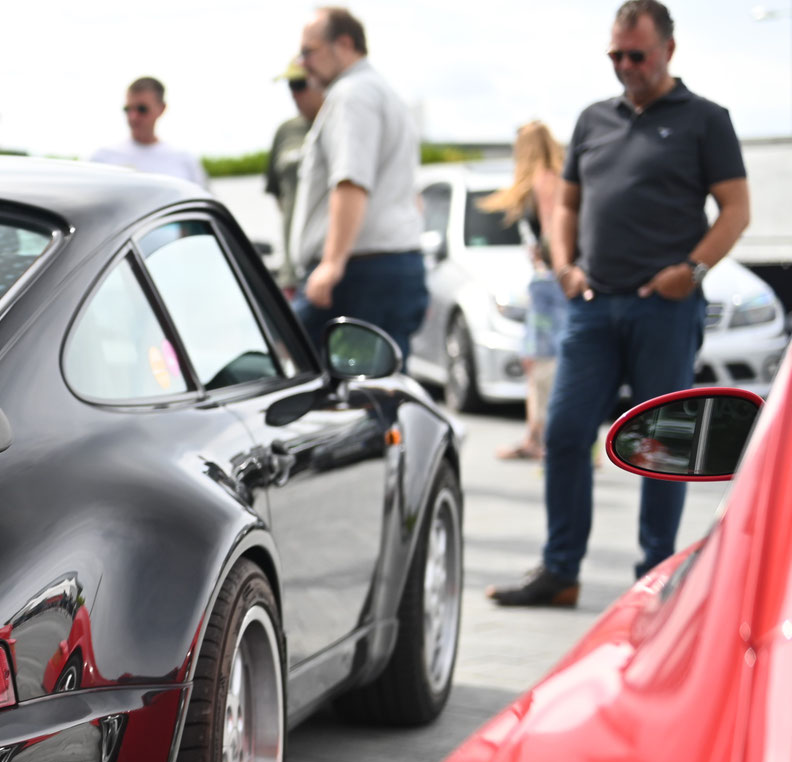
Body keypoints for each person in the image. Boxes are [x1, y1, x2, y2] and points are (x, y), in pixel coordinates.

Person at [489, 0, 749, 607]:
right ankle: (560, 572)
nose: (626, 65)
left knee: (664, 444)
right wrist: (565, 265)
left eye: (638, 55)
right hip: (592, 306)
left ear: (668, 50)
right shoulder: (592, 119)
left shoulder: (706, 120)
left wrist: (692, 270)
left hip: (665, 308)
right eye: (616, 55)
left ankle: (656, 578)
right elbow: (568, 205)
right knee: (565, 433)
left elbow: (736, 210)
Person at [291, 7, 428, 361]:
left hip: (359, 273)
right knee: (377, 383)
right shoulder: (380, 91)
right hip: (381, 268)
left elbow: (351, 181)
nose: (302, 63)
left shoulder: (352, 95)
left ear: (344, 44)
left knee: (308, 368)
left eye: (309, 51)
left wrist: (332, 263)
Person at [479, 122, 568, 462]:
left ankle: (544, 439)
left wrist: (542, 256)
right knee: (545, 362)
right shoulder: (555, 177)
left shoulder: (544, 180)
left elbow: (552, 232)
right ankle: (541, 436)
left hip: (549, 284)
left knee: (543, 362)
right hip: (552, 283)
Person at [265, 62, 324, 294]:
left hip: (334, 266)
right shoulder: (286, 131)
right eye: (291, 86)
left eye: (300, 84)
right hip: (295, 269)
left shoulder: (343, 126)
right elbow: (279, 196)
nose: (295, 94)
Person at [88, 77, 207, 187]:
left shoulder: (185, 160)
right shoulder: (102, 158)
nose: (133, 117)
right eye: (128, 109)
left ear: (162, 109)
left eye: (142, 109)